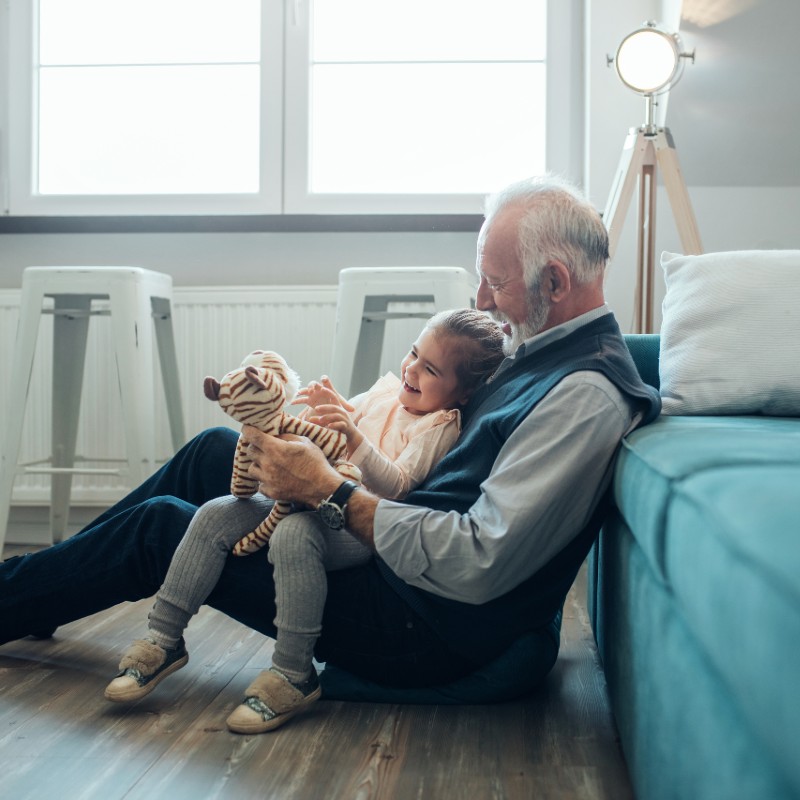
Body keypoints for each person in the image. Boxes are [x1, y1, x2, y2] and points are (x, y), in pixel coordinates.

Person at [0, 175, 661, 736]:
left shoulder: (583, 399)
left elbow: (477, 560)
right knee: (214, 453)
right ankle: (43, 588)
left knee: (166, 527)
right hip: (391, 557)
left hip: (418, 619)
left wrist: (333, 492)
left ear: (556, 279)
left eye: (493, 284)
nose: (481, 301)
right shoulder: (544, 342)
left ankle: (21, 596)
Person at [102, 309, 506, 735]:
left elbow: (399, 487)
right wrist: (329, 409)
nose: (412, 370)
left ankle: (293, 673)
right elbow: (342, 424)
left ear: (462, 393)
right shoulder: (389, 390)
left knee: (294, 536)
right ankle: (163, 639)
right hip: (306, 495)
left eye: (431, 370)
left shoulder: (439, 425)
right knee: (214, 514)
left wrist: (352, 436)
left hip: (355, 523)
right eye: (413, 354)